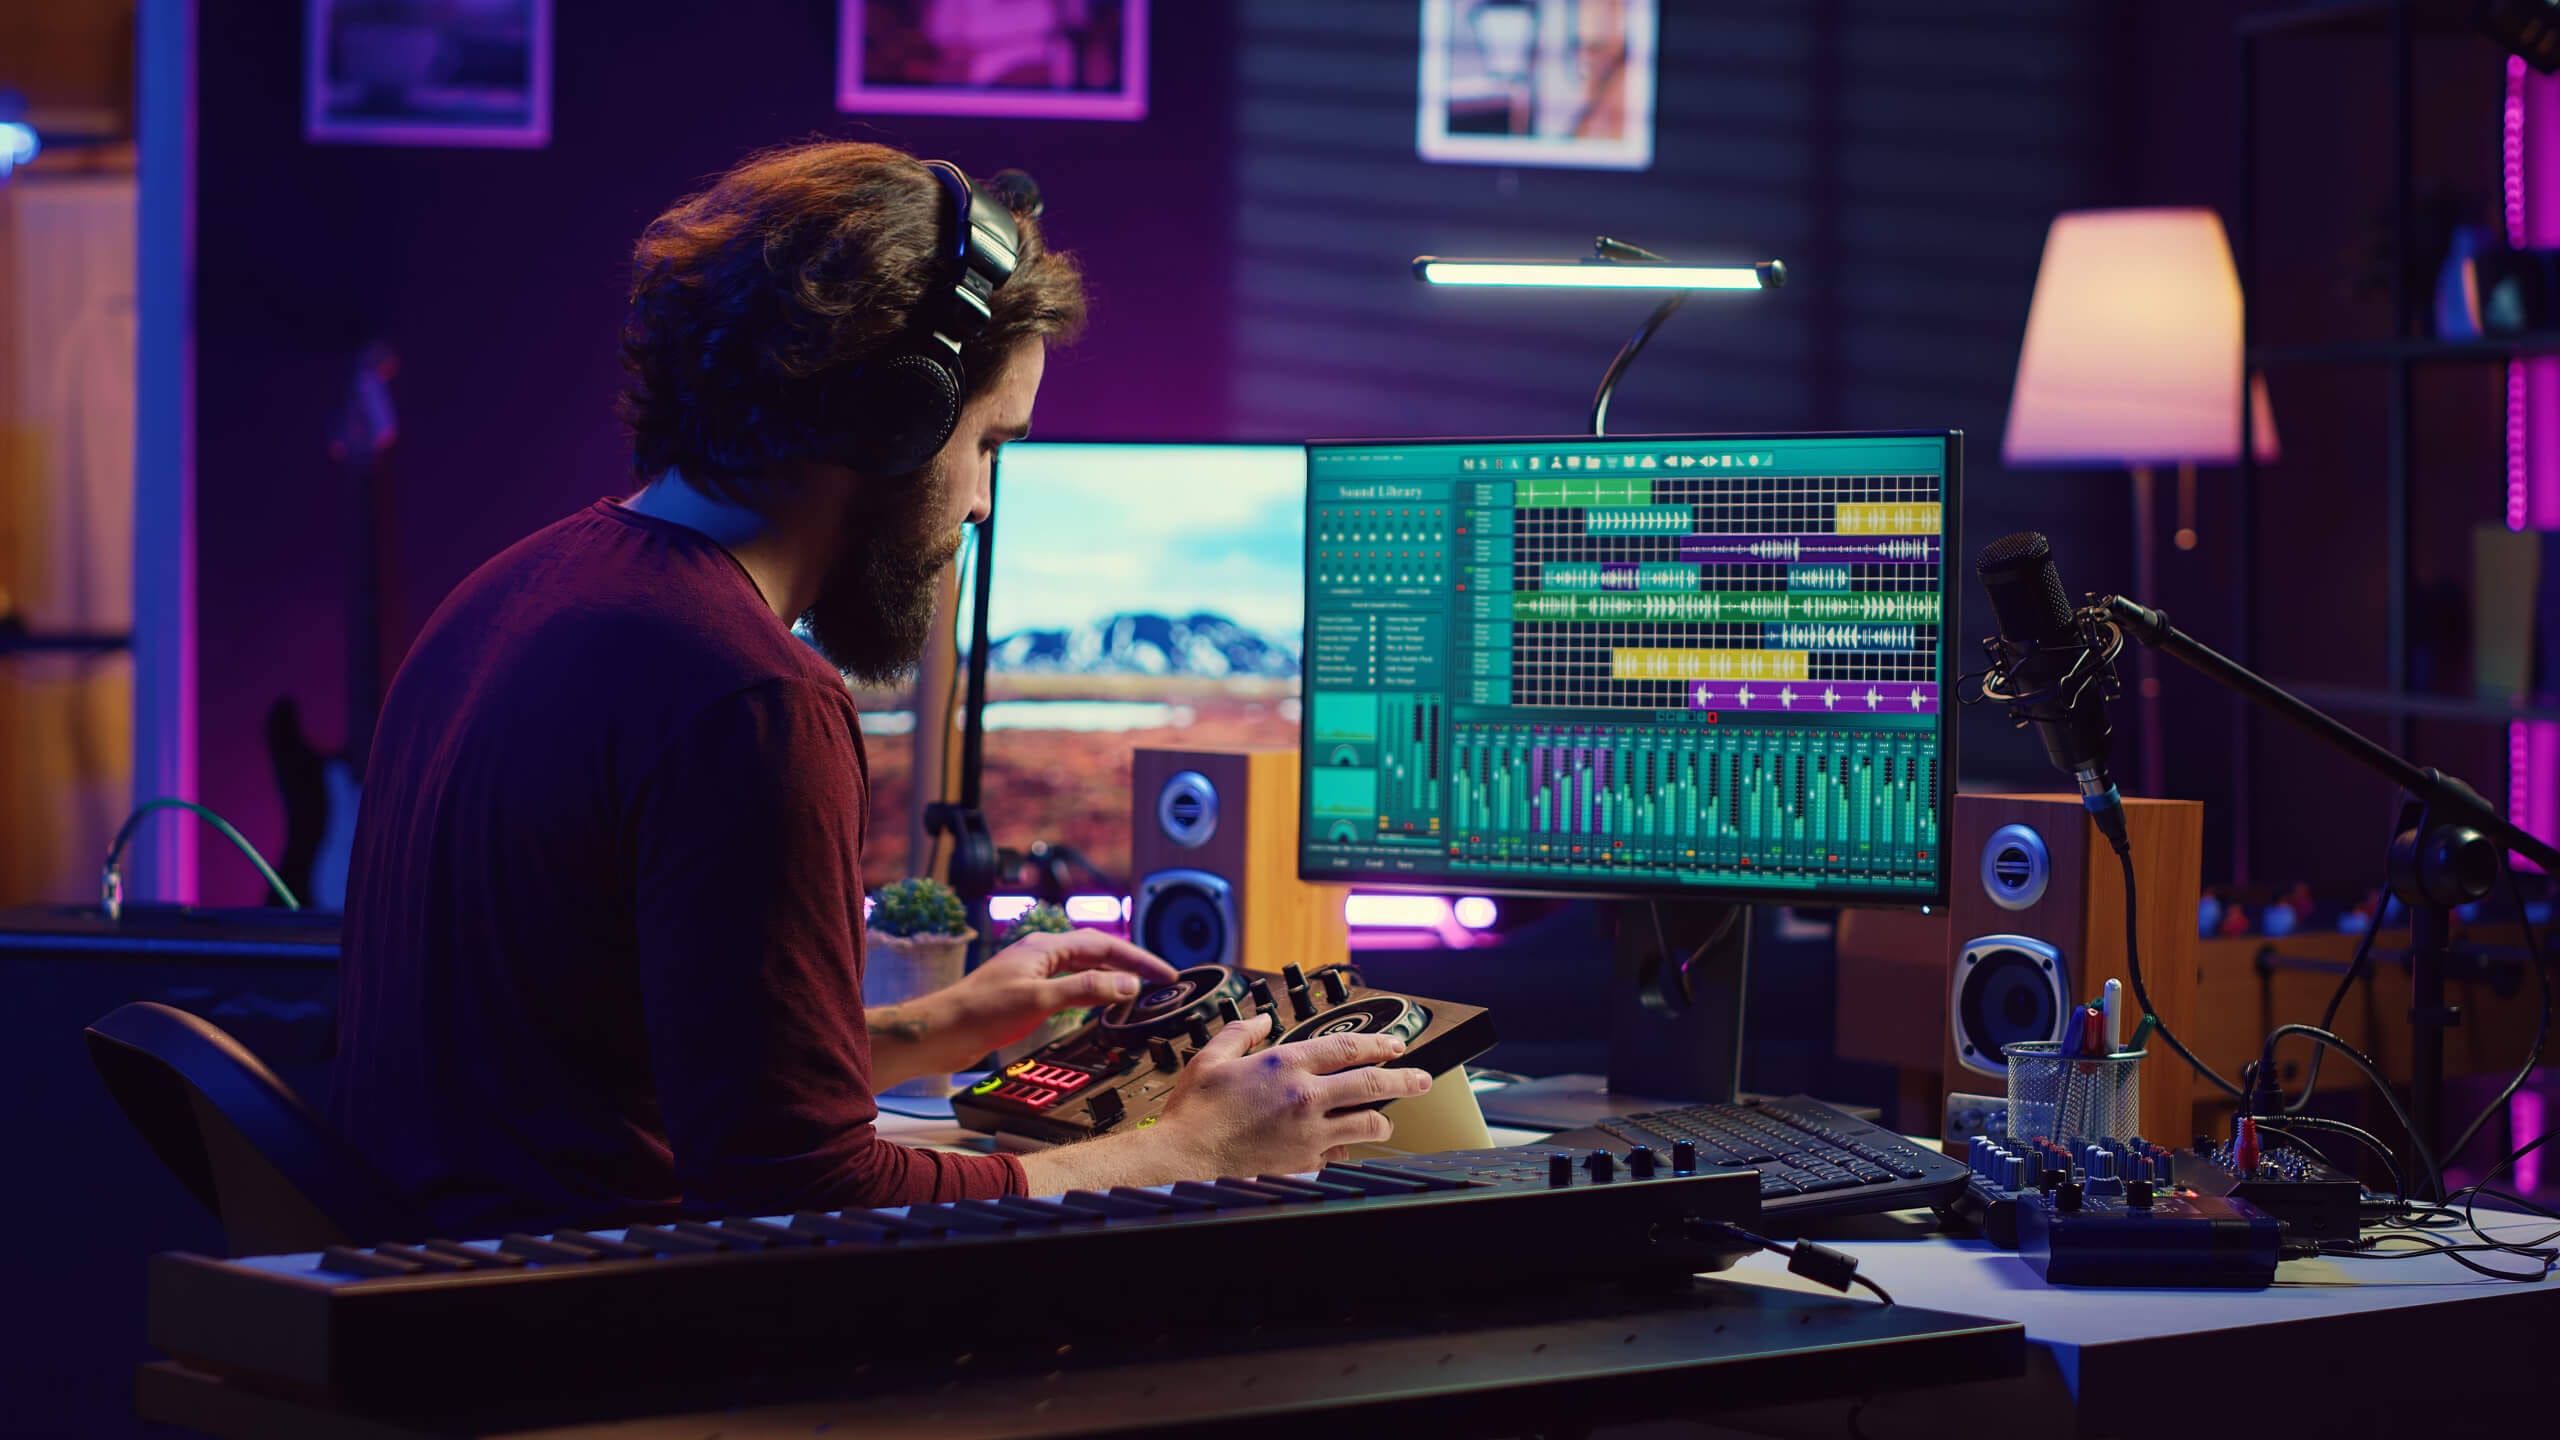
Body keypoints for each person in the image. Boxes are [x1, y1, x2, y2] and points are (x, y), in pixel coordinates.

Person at [329, 139, 1429, 1235]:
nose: (982, 504)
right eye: (988, 444)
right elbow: (806, 1202)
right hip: (597, 1343)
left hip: (452, 1299)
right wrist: (1184, 1149)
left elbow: (600, 1062)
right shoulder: (748, 695)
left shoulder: (513, 591)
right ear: (893, 419)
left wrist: (922, 1028)